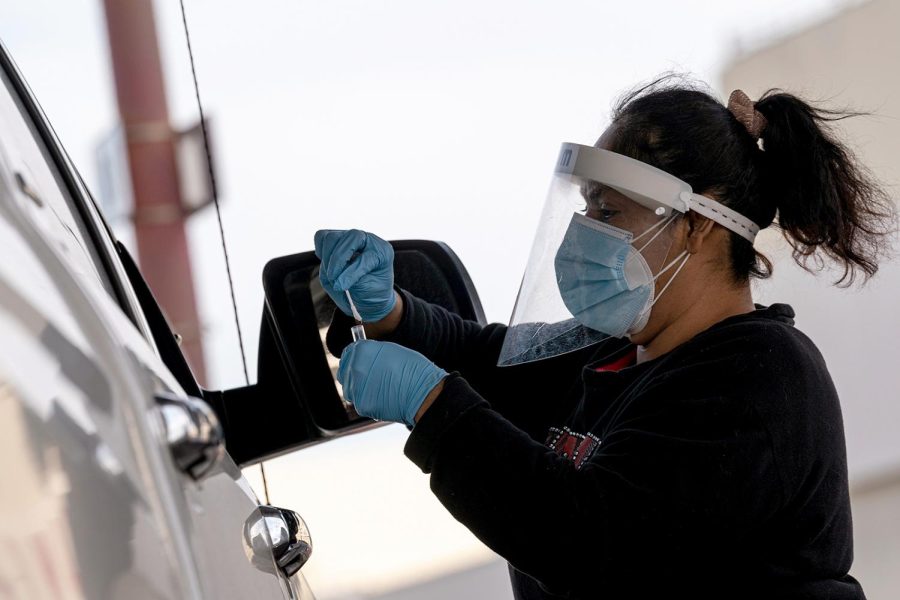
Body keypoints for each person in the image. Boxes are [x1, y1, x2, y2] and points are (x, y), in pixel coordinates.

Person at [314, 77, 895, 599]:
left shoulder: (759, 377)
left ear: (695, 225)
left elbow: (598, 546)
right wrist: (388, 312)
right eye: (587, 210)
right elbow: (489, 360)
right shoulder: (615, 352)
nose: (585, 234)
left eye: (610, 213)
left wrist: (433, 405)